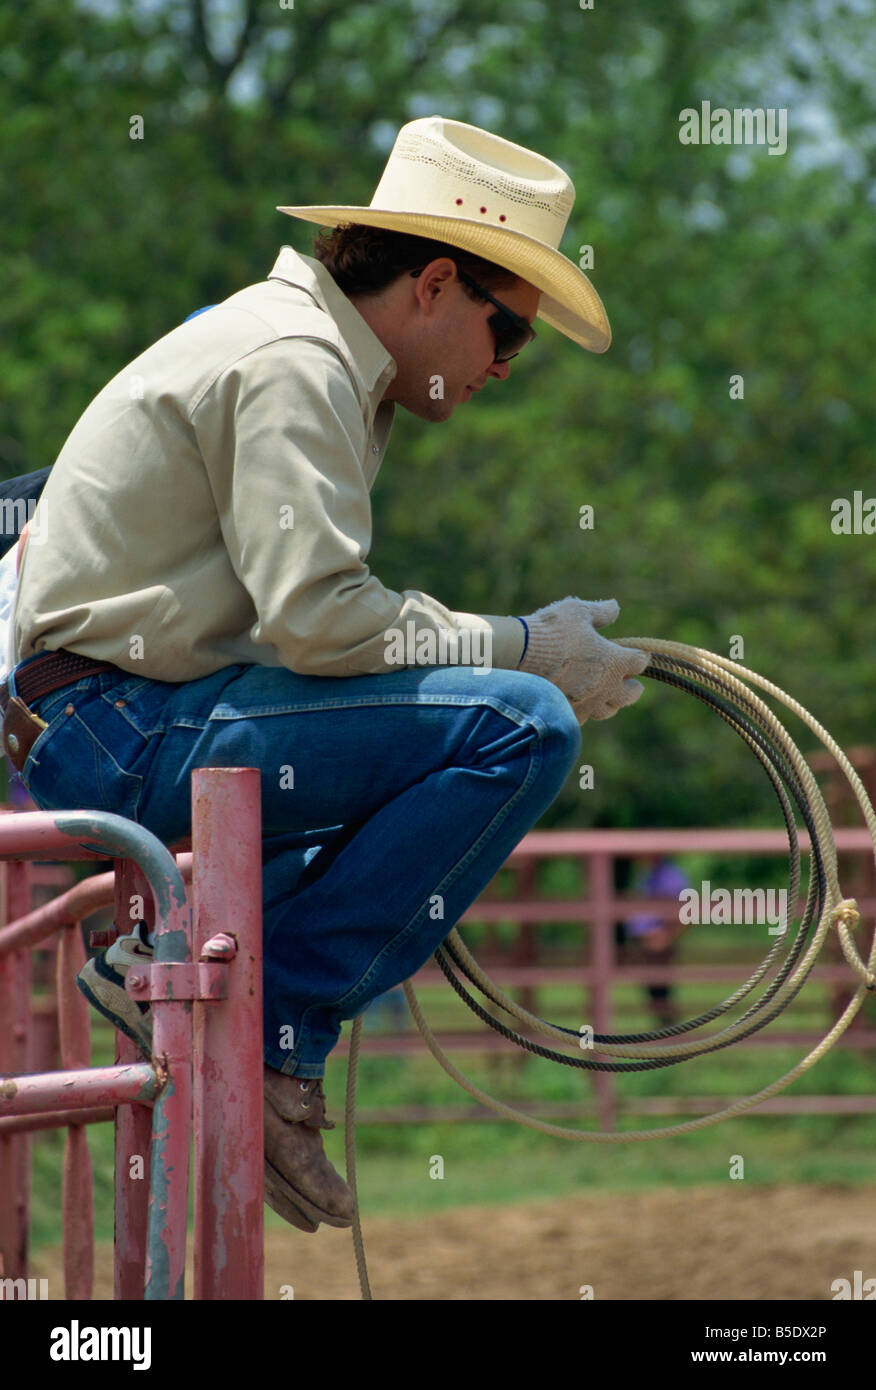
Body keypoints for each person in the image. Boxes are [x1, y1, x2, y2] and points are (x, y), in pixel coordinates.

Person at [1, 115, 648, 1234]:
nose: (502, 367)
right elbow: (318, 621)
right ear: (436, 283)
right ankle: (277, 1025)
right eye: (511, 334)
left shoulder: (309, 353)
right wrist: (526, 645)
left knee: (478, 730)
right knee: (522, 728)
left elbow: (309, 625)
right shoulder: (298, 362)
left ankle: (188, 976)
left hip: (113, 717)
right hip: (127, 725)